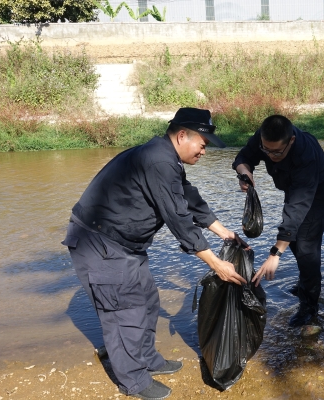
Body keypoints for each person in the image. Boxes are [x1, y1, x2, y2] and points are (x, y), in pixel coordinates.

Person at [62, 108, 248, 400]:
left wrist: (224, 232)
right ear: (182, 134)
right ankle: (133, 381)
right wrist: (216, 263)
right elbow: (178, 219)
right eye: (203, 142)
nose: (204, 150)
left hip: (125, 244)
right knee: (125, 311)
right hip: (99, 243)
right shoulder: (159, 160)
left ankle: (147, 358)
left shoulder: (166, 159)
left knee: (147, 300)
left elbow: (189, 200)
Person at [233, 115, 324, 327]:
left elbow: (296, 209)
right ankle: (304, 283)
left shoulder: (305, 155)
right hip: (292, 187)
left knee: (307, 246)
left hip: (317, 190)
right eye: (266, 150)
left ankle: (310, 306)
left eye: (277, 152)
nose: (271, 155)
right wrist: (244, 172)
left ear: (291, 141)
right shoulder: (265, 138)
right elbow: (245, 156)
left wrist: (275, 254)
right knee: (295, 238)